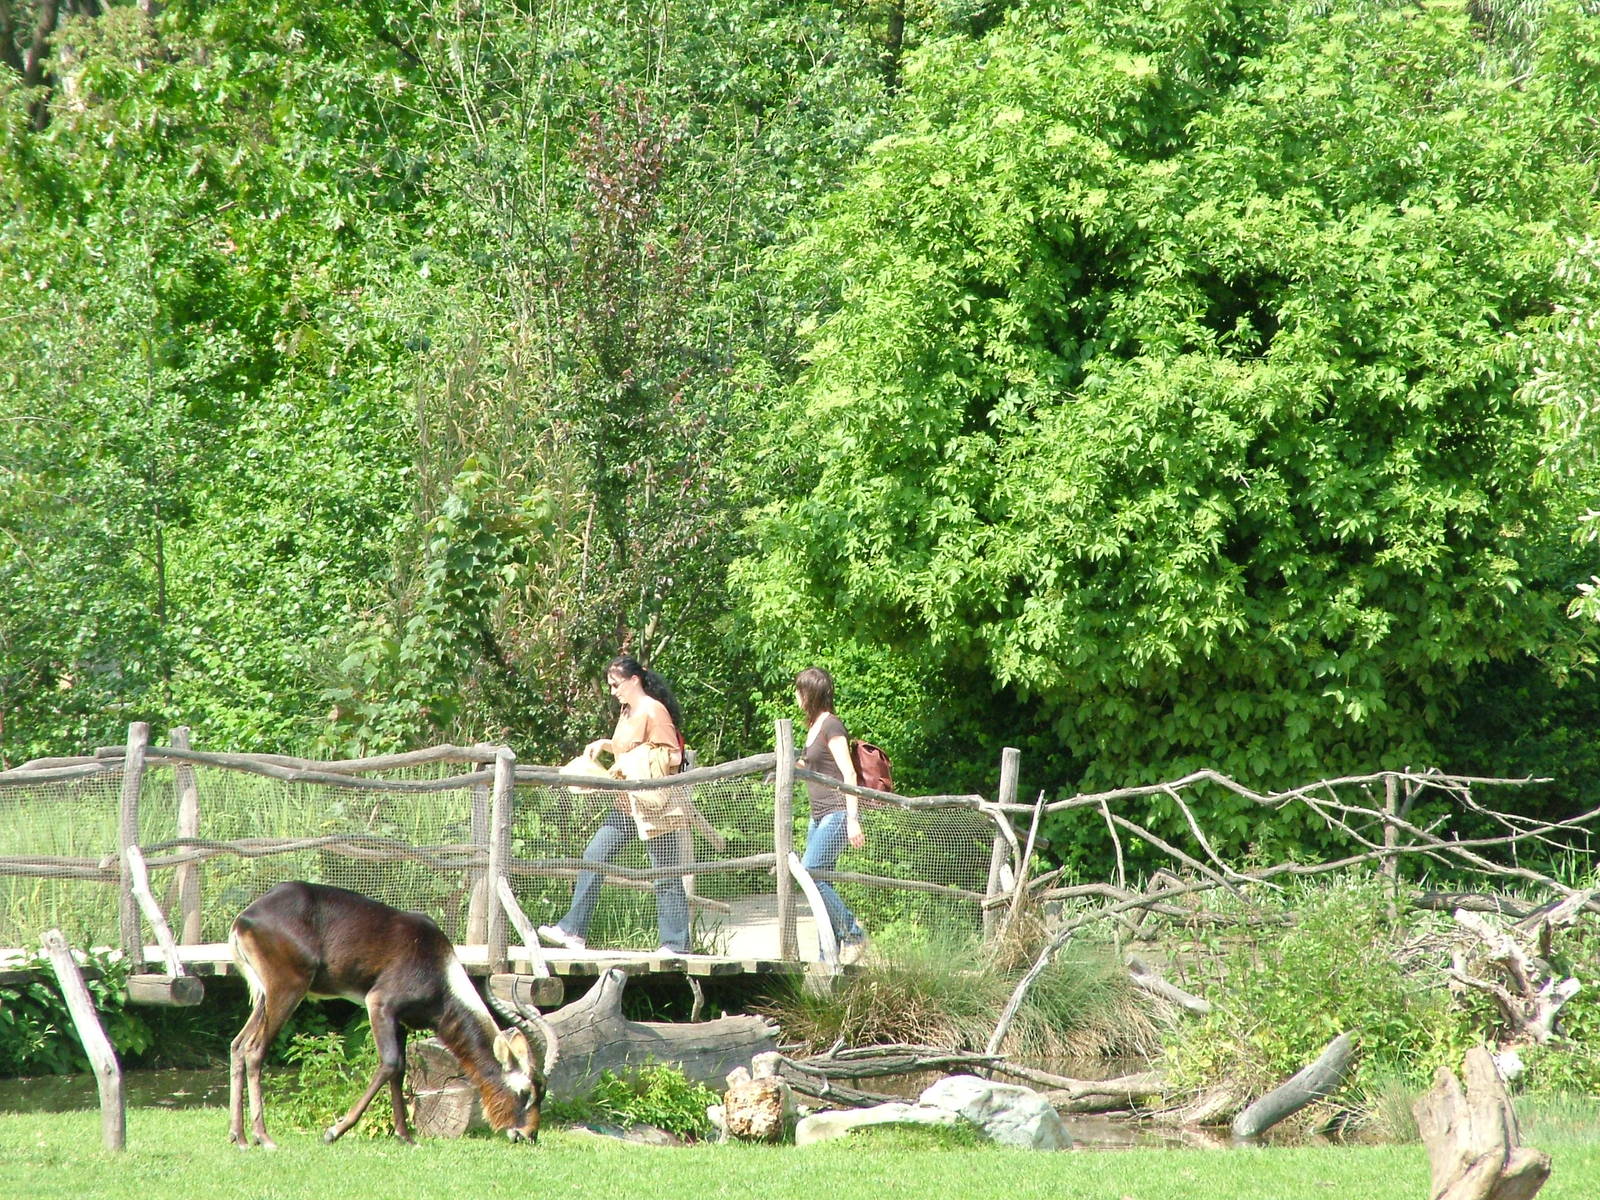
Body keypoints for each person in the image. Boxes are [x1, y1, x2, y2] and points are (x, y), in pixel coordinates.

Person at [538, 655, 692, 955]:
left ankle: (676, 944)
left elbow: (673, 756)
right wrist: (606, 744)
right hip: (624, 804)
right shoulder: (627, 711)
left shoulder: (654, 711)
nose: (612, 691)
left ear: (634, 680)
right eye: (610, 685)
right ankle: (574, 930)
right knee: (594, 856)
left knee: (665, 873)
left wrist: (636, 763)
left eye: (616, 684)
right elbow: (629, 747)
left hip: (652, 805)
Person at [794, 667, 869, 964]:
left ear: (811, 693)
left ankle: (854, 935)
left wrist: (853, 819)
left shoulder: (832, 726)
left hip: (836, 812)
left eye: (800, 690)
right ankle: (829, 954)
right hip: (817, 816)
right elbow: (808, 766)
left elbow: (848, 772)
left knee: (811, 873)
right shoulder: (813, 726)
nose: (797, 696)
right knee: (819, 880)